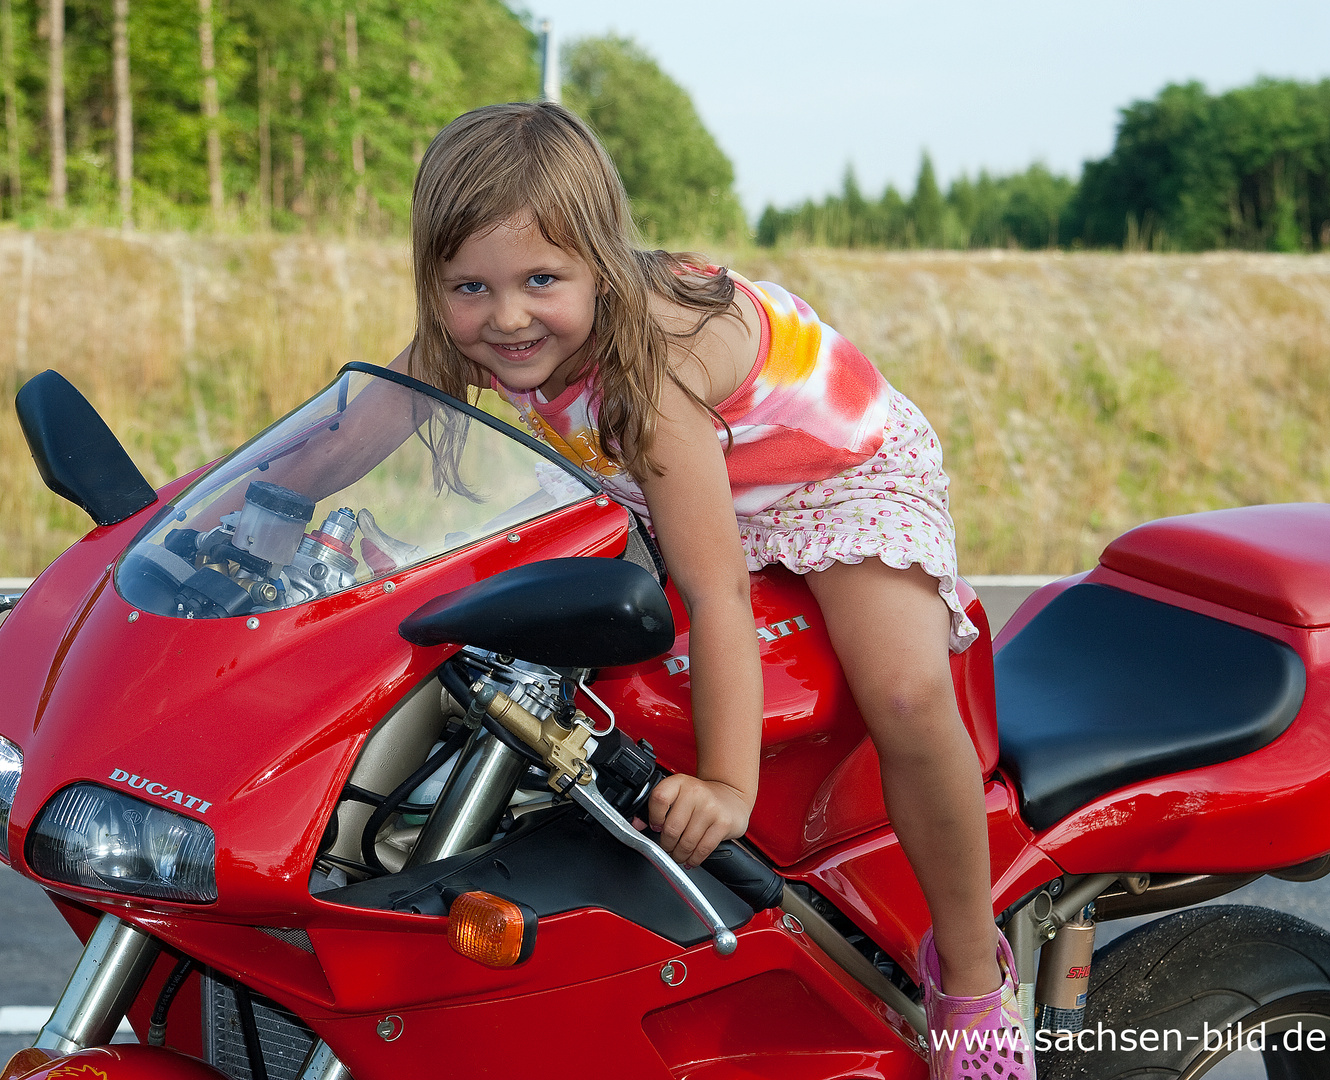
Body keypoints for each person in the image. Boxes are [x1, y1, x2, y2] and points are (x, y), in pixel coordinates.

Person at [392, 101, 1031, 1078]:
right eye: (469, 285)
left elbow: (717, 589)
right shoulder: (473, 337)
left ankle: (973, 978)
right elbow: (358, 428)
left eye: (541, 281)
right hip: (680, 485)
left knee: (903, 692)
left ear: (600, 266)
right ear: (435, 281)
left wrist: (726, 786)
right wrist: (239, 506)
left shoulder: (651, 385)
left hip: (830, 472)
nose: (506, 316)